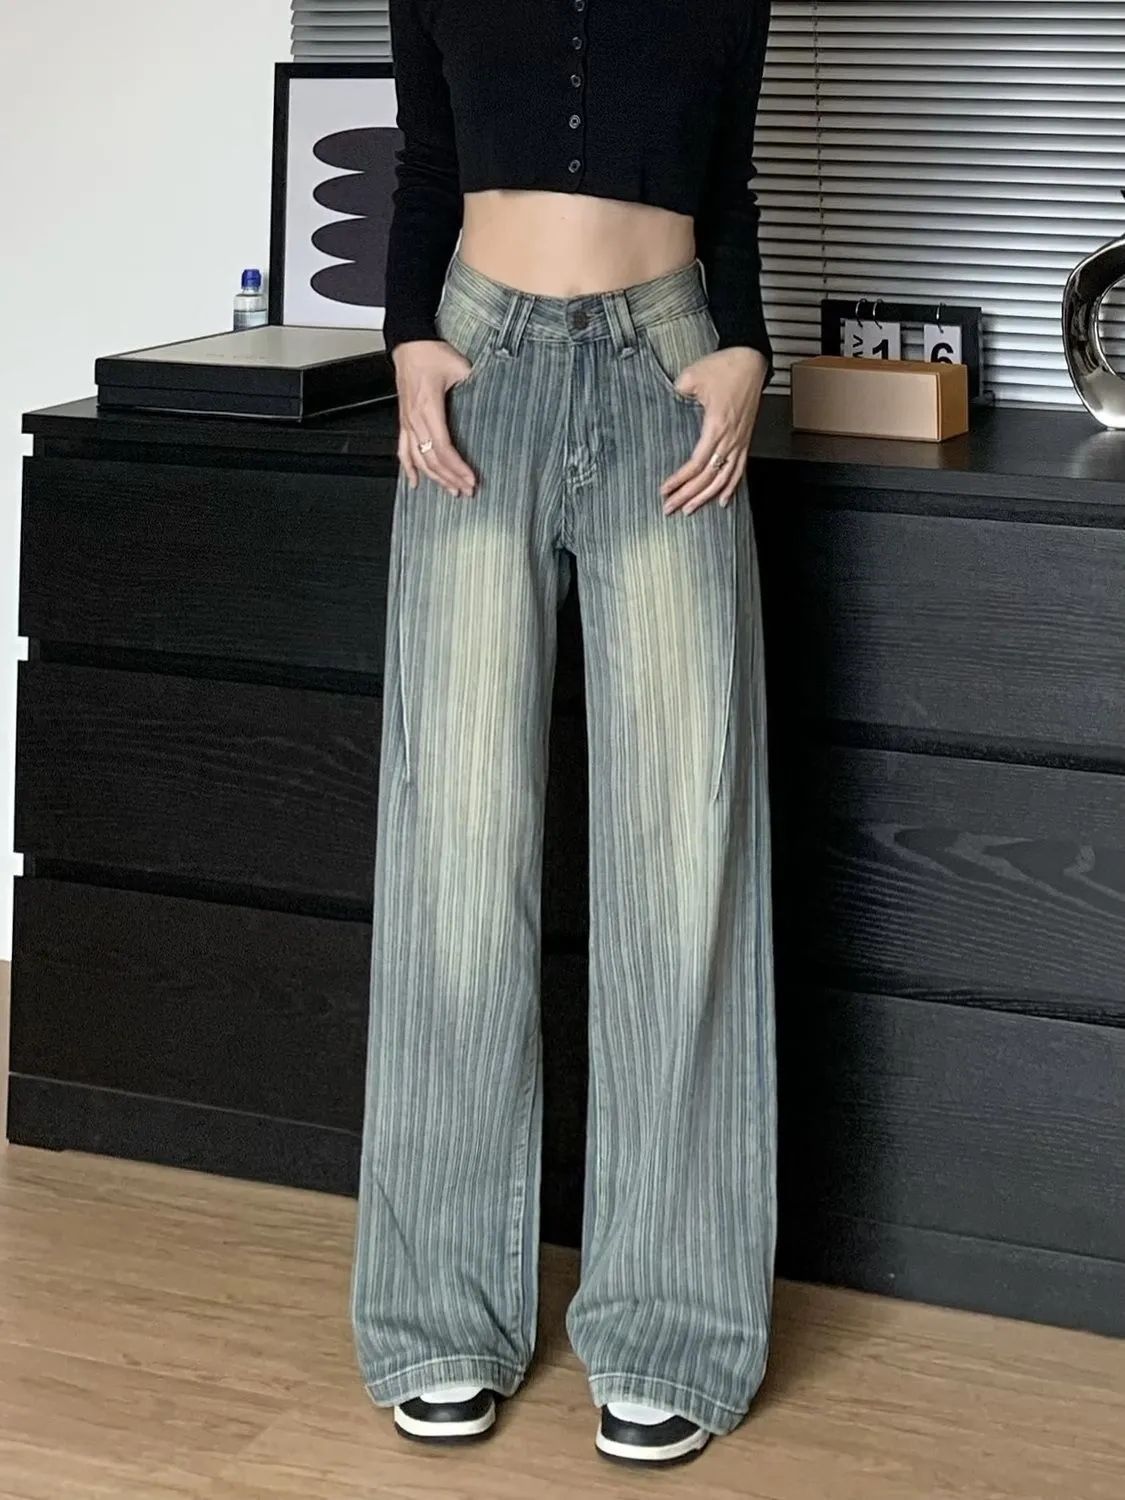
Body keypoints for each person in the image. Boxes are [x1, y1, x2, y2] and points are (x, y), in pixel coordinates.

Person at [350, 0, 776, 1469]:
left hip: (671, 371)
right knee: (457, 857)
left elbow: (727, 178)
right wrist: (408, 341)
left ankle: (669, 1328)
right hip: (481, 372)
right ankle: (437, 1317)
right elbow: (426, 164)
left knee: (681, 859)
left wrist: (744, 349)